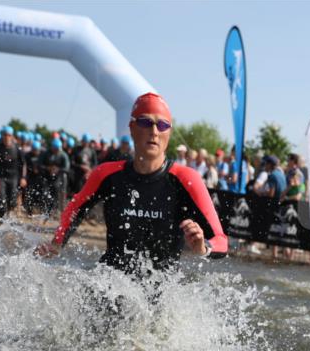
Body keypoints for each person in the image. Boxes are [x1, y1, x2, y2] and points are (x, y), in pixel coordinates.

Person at [35, 92, 227, 273]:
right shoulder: (106, 174)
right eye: (145, 122)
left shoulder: (186, 179)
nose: (154, 131)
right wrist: (56, 244)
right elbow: (74, 210)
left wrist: (203, 248)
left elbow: (221, 241)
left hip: (161, 293)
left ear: (169, 133)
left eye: (162, 125)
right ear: (132, 128)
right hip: (111, 284)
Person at [0, 127, 22, 219]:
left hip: (13, 177)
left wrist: (24, 178)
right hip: (1, 176)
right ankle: (1, 218)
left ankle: (9, 215)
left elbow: (24, 164)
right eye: (5, 135)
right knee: (1, 198)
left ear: (12, 136)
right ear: (2, 136)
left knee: (12, 200)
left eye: (9, 135)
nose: (7, 137)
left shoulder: (17, 148)